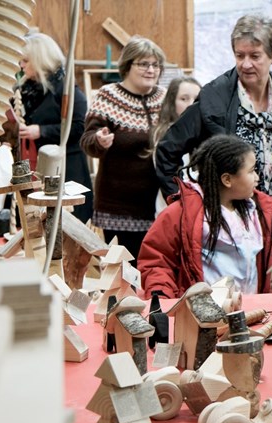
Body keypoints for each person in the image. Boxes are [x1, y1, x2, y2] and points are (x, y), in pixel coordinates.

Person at [154, 14, 272, 214]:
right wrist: (186, 205)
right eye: (240, 55)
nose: (246, 64)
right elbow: (167, 150)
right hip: (227, 222)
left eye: (255, 56)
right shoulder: (214, 99)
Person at [138, 134, 272, 298]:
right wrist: (163, 301)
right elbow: (156, 261)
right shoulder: (182, 213)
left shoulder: (259, 212)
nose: (257, 178)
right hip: (202, 310)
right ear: (227, 179)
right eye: (252, 171)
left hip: (253, 308)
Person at [80, 36, 167, 260]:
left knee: (154, 267)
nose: (151, 70)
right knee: (123, 270)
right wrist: (99, 140)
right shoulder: (108, 96)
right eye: (144, 64)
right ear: (128, 65)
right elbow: (87, 140)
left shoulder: (165, 98)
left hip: (159, 204)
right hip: (118, 207)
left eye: (155, 64)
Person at [17, 32, 93, 223]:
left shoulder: (65, 89)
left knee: (66, 225)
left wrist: (41, 131)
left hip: (67, 169)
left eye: (26, 60)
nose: (21, 65)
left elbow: (79, 127)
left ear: (40, 59)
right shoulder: (26, 89)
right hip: (38, 167)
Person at [151, 76, 202, 216]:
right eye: (184, 99)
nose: (191, 104)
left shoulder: (203, 132)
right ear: (172, 102)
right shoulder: (165, 134)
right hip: (174, 208)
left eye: (196, 99)